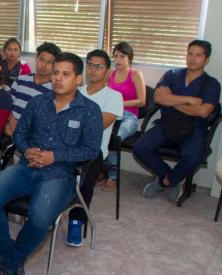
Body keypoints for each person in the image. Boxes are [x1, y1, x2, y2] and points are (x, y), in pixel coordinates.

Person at [0, 52, 102, 275]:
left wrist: (55, 156)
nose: (58, 78)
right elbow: (20, 133)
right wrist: (26, 149)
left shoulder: (90, 110)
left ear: (78, 79)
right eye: (55, 72)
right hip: (26, 167)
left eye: (65, 74)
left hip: (59, 174)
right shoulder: (38, 102)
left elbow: (90, 150)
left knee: (39, 217)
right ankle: (9, 257)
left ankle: (8, 264)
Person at [134, 40, 220, 203]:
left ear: (206, 59)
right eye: (190, 54)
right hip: (167, 123)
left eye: (198, 55)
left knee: (194, 158)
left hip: (195, 127)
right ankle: (167, 175)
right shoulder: (172, 74)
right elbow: (159, 97)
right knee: (140, 147)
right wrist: (189, 100)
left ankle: (167, 181)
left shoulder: (212, 84)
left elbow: (203, 111)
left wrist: (171, 101)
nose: (192, 59)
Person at [66, 49, 124, 247]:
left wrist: (71, 124)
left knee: (85, 182)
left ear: (107, 71)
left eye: (99, 66)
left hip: (93, 150)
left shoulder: (114, 97)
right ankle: (47, 213)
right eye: (90, 65)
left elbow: (96, 128)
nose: (93, 70)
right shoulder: (74, 91)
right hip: (64, 145)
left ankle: (76, 220)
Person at [103, 42, 146, 191]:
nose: (118, 60)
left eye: (122, 56)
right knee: (98, 132)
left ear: (129, 58)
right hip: (112, 114)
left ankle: (113, 177)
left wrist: (120, 103)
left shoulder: (135, 74)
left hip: (129, 117)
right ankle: (101, 172)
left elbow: (142, 101)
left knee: (114, 137)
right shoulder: (110, 74)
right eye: (115, 56)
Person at [5, 42, 61, 136]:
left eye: (49, 62)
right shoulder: (21, 80)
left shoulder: (54, 91)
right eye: (41, 60)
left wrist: (19, 132)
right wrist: (11, 123)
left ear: (55, 65)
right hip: (9, 128)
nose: (44, 65)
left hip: (30, 136)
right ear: (36, 59)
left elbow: (46, 122)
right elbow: (8, 105)